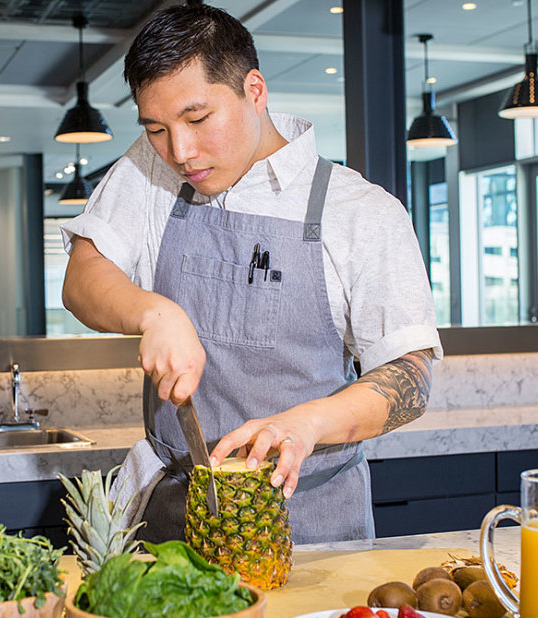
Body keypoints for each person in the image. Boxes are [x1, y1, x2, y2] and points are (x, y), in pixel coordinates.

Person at [59, 5, 441, 545]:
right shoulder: (146, 168)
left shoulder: (361, 210)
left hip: (310, 521)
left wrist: (305, 425)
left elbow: (411, 378)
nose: (180, 152)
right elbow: (82, 276)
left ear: (254, 90)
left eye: (197, 120)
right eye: (157, 128)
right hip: (171, 513)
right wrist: (154, 312)